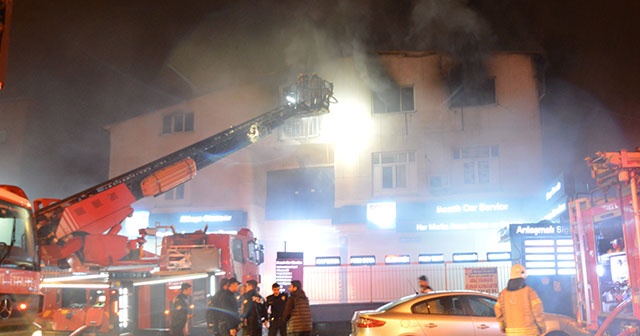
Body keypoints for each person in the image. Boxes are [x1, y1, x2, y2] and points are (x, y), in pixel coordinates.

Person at [495, 264, 546, 336]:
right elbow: (537, 310)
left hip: (511, 332)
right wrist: (542, 327)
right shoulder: (529, 291)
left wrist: (503, 325)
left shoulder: (503, 294)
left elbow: (498, 309)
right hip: (530, 331)